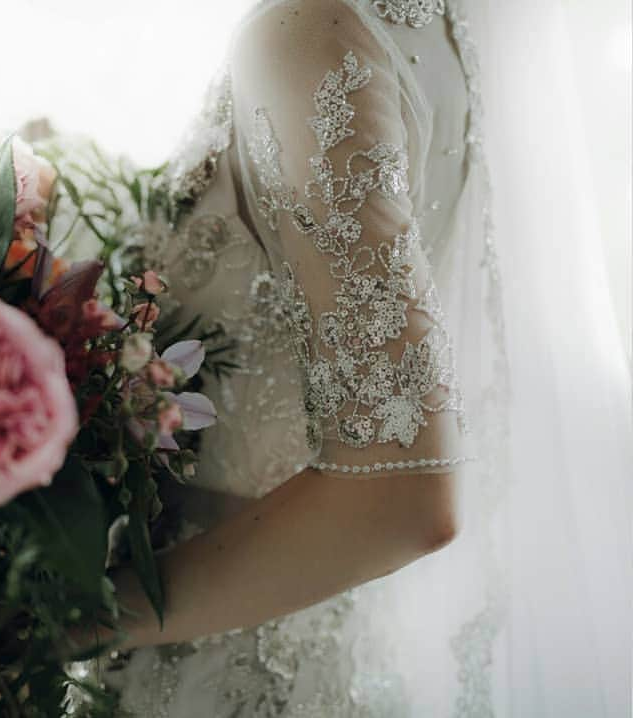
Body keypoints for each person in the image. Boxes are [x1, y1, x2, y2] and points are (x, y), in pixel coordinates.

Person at [80, 1, 515, 714]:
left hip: (205, 653)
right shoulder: (433, 21)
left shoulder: (309, 34)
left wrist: (60, 621)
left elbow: (404, 500)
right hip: (319, 634)